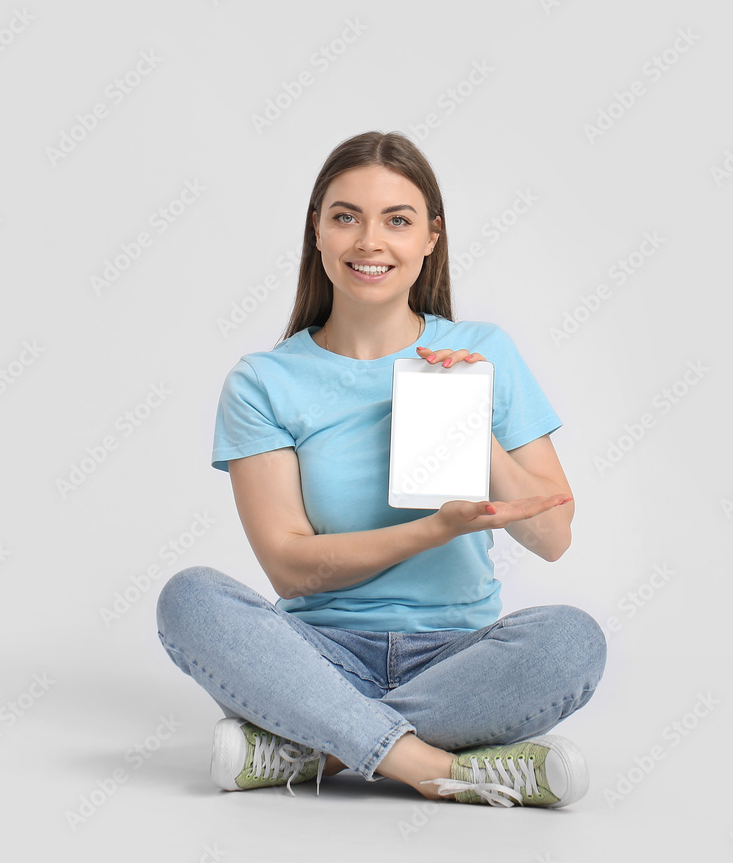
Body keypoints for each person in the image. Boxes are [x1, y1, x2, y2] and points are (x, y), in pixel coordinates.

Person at [155, 131, 606, 808]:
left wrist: (471, 422)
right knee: (189, 599)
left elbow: (553, 537)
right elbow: (289, 569)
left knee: (572, 641)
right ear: (317, 230)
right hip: (315, 656)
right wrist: (434, 529)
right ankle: (435, 765)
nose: (370, 242)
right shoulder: (265, 381)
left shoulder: (482, 352)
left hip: (457, 660)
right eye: (347, 217)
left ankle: (313, 748)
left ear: (430, 237)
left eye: (397, 220)